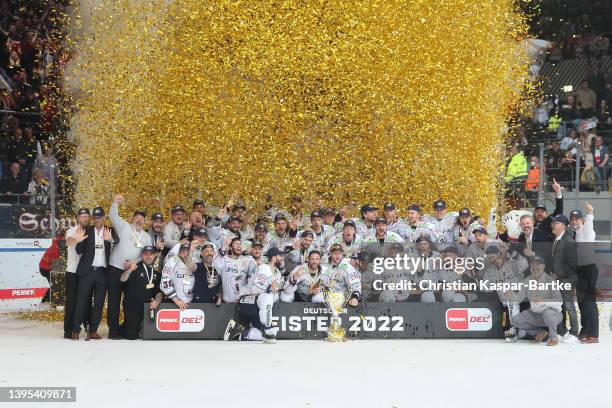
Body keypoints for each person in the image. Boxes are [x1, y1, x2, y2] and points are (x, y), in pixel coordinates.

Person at [108, 194, 152, 339]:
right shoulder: (124, 227)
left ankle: (127, 328)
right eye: (137, 218)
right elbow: (113, 216)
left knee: (129, 301)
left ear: (145, 222)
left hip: (131, 271)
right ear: (132, 218)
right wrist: (115, 203)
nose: (140, 220)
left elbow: (144, 255)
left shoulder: (146, 236)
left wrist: (134, 262)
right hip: (115, 268)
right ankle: (113, 331)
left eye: (142, 219)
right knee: (114, 301)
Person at [224, 247, 287, 343]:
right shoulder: (264, 268)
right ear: (274, 258)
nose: (282, 258)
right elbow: (255, 289)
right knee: (267, 296)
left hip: (257, 305)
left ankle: (239, 332)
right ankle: (266, 327)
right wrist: (270, 288)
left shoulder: (277, 272)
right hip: (246, 300)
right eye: (280, 256)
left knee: (271, 334)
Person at [72, 207, 114, 340]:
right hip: (87, 271)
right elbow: (79, 251)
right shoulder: (86, 230)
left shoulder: (109, 230)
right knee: (81, 301)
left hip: (102, 272)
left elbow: (118, 243)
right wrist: (78, 241)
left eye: (99, 217)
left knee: (99, 303)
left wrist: (110, 240)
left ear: (104, 218)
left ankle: (93, 330)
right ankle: (76, 330)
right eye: (95, 218)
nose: (97, 220)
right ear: (92, 219)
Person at [505, 256, 563, 346]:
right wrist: (511, 296)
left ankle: (554, 337)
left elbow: (559, 300)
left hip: (553, 314)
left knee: (548, 313)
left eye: (538, 265)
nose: (535, 267)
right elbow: (520, 296)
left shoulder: (550, 280)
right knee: (515, 321)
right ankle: (540, 332)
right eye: (532, 265)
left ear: (543, 266)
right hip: (535, 313)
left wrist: (543, 300)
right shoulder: (527, 280)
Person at [119, 246, 163, 340]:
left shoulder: (157, 274)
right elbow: (122, 279)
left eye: (151, 254)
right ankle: (122, 328)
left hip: (148, 307)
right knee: (131, 336)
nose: (148, 256)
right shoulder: (135, 268)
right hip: (133, 307)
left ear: (155, 256)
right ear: (142, 256)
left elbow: (159, 292)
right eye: (146, 254)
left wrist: (156, 302)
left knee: (149, 335)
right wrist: (129, 270)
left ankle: (141, 327)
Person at [570, 205, 599, 343]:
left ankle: (593, 334)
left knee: (588, 302)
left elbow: (589, 225)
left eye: (577, 219)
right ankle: (586, 329)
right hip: (581, 270)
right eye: (572, 219)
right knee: (582, 302)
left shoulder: (587, 231)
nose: (575, 221)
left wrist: (590, 214)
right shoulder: (576, 234)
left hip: (589, 269)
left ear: (582, 220)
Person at [550, 214, 579, 342]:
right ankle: (562, 330)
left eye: (555, 223)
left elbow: (572, 264)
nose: (553, 225)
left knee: (569, 305)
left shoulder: (569, 241)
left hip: (567, 279)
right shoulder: (556, 239)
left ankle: (574, 332)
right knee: (559, 306)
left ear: (562, 226)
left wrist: (558, 274)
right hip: (558, 279)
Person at [63, 208, 90, 339]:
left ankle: (85, 328)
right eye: (82, 216)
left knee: (85, 301)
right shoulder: (72, 230)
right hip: (73, 272)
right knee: (72, 302)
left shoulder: (90, 231)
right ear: (78, 218)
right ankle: (68, 330)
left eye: (86, 216)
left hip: (85, 273)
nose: (85, 218)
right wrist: (76, 240)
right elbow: (68, 242)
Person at [213, 237, 258, 303]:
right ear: (230, 248)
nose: (239, 246)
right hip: (227, 301)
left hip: (243, 301)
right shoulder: (224, 260)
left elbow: (256, 274)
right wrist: (224, 246)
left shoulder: (248, 259)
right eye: (236, 244)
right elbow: (215, 263)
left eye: (240, 244)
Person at [160, 242, 195, 309]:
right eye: (183, 252)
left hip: (190, 302)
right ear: (178, 252)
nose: (185, 254)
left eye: (188, 252)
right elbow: (164, 282)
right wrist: (176, 300)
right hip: (175, 304)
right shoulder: (172, 261)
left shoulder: (192, 262)